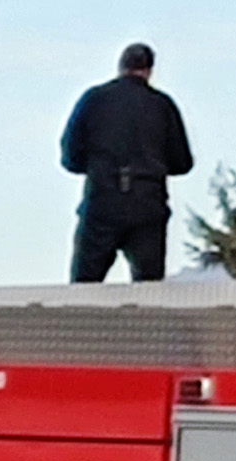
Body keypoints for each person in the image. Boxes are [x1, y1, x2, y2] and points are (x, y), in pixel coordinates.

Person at [60, 43, 193, 283]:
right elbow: (182, 162)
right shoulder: (162, 105)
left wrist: (95, 167)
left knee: (83, 289)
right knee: (148, 291)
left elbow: (70, 158)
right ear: (149, 70)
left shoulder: (93, 100)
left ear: (120, 66)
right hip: (147, 204)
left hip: (102, 200)